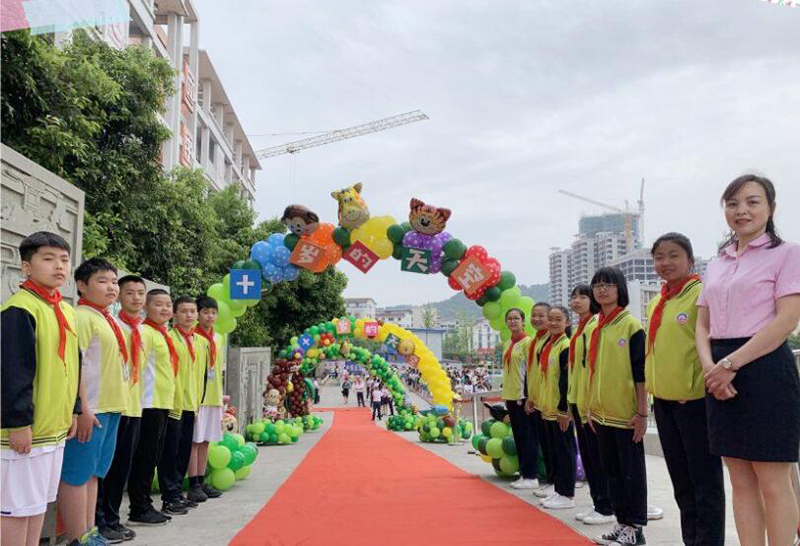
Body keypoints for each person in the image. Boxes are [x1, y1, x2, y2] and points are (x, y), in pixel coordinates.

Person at [697, 175, 800, 546]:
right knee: (739, 479)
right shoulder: (717, 263)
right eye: (733, 203)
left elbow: (787, 320)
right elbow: (702, 323)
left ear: (771, 208)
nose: (741, 210)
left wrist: (730, 365)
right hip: (718, 371)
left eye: (752, 202)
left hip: (765, 366)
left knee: (773, 480)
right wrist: (711, 368)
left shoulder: (787, 253)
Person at [645, 233, 725, 546]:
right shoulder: (657, 301)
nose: (665, 262)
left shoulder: (702, 295)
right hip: (663, 401)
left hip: (694, 401)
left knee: (704, 480)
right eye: (659, 257)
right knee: (681, 481)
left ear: (690, 260)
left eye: (673, 255)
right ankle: (691, 539)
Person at [1, 232, 81, 546]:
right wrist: (18, 423)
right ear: (26, 266)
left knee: (36, 507)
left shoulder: (65, 310)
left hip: (53, 431)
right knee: (14, 511)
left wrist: (74, 410)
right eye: (48, 259)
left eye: (64, 260)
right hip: (25, 432)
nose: (59, 266)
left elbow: (73, 365)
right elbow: (13, 372)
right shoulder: (19, 309)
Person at [59, 258, 128, 546]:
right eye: (102, 281)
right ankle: (77, 537)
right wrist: (83, 408)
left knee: (94, 473)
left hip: (110, 407)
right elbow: (76, 365)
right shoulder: (82, 316)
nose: (111, 287)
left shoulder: (106, 318)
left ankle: (90, 532)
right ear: (81, 285)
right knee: (77, 474)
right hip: (93, 409)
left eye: (114, 281)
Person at [586, 266, 648, 546]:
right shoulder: (597, 326)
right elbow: (593, 371)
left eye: (608, 284)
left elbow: (640, 374)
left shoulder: (630, 325)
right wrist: (590, 406)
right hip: (602, 414)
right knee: (612, 472)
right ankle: (621, 522)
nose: (602, 290)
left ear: (619, 289)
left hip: (626, 415)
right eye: (597, 285)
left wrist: (642, 412)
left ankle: (635, 528)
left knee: (631, 473)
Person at [96, 275, 148, 543]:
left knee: (121, 468)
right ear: (119, 296)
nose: (136, 298)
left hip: (134, 406)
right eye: (130, 292)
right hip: (115, 406)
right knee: (108, 468)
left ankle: (113, 518)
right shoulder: (113, 326)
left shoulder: (139, 329)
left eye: (140, 293)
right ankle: (100, 521)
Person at [127, 289, 176, 526]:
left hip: (162, 402)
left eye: (168, 305)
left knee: (152, 457)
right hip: (148, 403)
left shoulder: (162, 333)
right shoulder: (145, 332)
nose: (164, 309)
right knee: (144, 458)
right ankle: (139, 507)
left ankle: (144, 503)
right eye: (158, 304)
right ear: (146, 307)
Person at [568, 284, 615, 526]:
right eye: (574, 297)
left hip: (591, 403)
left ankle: (606, 506)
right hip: (579, 400)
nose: (577, 301)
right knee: (588, 455)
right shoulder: (579, 329)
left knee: (598, 457)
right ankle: (598, 502)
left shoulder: (595, 325)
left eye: (582, 296)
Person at [158, 296, 200, 515]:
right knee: (171, 452)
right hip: (174, 404)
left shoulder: (195, 340)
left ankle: (177, 493)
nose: (189, 315)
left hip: (190, 403)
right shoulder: (170, 338)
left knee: (184, 450)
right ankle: (170, 497)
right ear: (174, 314)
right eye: (184, 311)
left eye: (192, 311)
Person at [539, 306, 577, 510]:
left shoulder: (565, 346)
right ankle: (559, 489)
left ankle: (567, 493)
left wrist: (564, 410)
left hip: (560, 410)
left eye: (558, 319)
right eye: (551, 319)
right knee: (555, 451)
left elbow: (566, 382)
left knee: (565, 450)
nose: (553, 323)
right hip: (548, 408)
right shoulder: (550, 345)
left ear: (567, 322)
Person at [188, 297, 224, 503]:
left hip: (213, 396)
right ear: (198, 314)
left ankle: (201, 481)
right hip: (197, 398)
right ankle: (192, 483)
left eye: (213, 312)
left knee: (206, 440)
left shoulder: (218, 338)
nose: (210, 316)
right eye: (206, 312)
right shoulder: (192, 337)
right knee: (194, 440)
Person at [500, 308, 537, 490]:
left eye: (516, 318)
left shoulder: (528, 343)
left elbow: (531, 371)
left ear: (523, 321)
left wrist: (530, 395)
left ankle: (531, 475)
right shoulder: (508, 343)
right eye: (510, 318)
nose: (513, 321)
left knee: (528, 437)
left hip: (523, 396)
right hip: (510, 396)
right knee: (519, 437)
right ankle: (524, 473)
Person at [525, 302, 554, 498]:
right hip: (537, 400)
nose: (536, 319)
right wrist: (531, 397)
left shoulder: (552, 340)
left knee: (554, 446)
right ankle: (551, 481)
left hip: (551, 402)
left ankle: (557, 484)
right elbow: (533, 373)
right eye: (534, 315)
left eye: (541, 315)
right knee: (545, 444)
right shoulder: (535, 341)